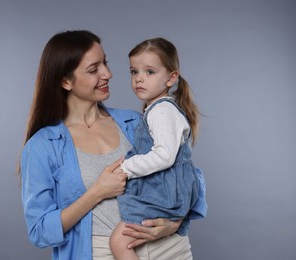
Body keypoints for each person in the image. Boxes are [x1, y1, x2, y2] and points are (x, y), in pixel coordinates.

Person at [20, 30, 207, 260]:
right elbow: (39, 231)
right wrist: (97, 192)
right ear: (66, 81)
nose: (108, 73)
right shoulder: (43, 146)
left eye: (105, 63)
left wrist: (175, 222)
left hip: (170, 248)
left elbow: (184, 174)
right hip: (101, 252)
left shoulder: (134, 123)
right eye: (93, 69)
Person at [109, 38, 202, 260]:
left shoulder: (162, 111)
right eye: (134, 71)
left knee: (119, 242)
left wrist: (126, 168)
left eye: (150, 72)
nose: (139, 78)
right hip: (165, 191)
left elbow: (165, 156)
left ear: (171, 77)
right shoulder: (157, 109)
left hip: (164, 194)